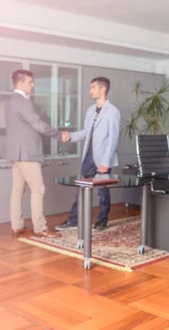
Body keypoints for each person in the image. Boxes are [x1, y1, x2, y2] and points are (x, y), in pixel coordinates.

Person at [6, 69, 69, 238]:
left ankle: (17, 225)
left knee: (17, 190)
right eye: (30, 82)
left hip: (16, 153)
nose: (33, 85)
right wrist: (58, 134)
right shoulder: (23, 101)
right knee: (38, 189)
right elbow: (39, 124)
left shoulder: (12, 100)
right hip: (27, 153)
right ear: (20, 83)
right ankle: (40, 228)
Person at [55, 77, 120, 231]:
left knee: (103, 192)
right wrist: (71, 136)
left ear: (103, 89)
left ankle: (102, 220)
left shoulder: (113, 111)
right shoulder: (91, 110)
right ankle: (74, 220)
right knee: (81, 191)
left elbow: (113, 139)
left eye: (93, 87)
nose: (90, 91)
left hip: (102, 160)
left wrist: (105, 162)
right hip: (88, 158)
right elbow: (86, 132)